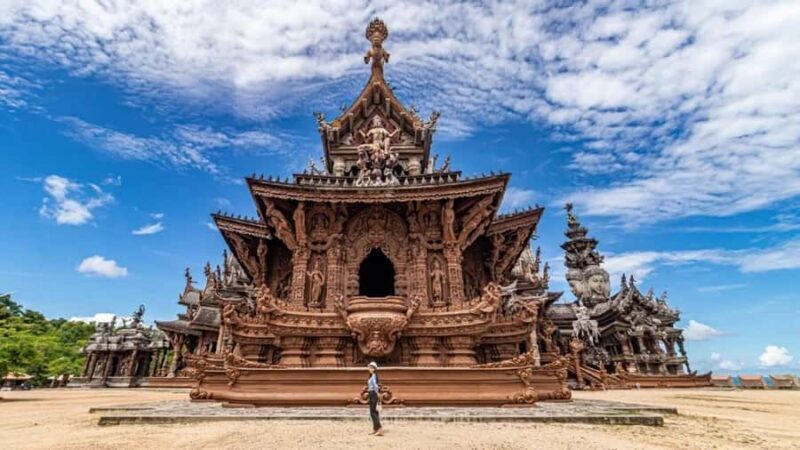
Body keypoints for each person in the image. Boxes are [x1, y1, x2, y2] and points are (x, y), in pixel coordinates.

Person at [367, 361, 383, 436]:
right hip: (372, 393)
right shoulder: (372, 376)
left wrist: (377, 394)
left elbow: (376, 386)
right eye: (369, 367)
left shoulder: (373, 376)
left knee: (372, 412)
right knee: (375, 412)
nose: (369, 368)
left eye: (371, 367)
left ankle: (379, 428)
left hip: (373, 393)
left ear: (374, 369)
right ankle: (375, 429)